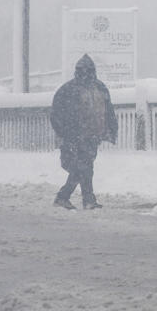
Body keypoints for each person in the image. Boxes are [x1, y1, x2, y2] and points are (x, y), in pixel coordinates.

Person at [50, 54, 118, 210]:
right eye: (83, 71)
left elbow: (108, 110)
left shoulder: (100, 88)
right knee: (80, 168)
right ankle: (79, 198)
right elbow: (56, 115)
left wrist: (110, 129)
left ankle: (76, 198)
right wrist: (66, 133)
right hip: (74, 137)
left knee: (85, 168)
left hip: (92, 136)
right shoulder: (68, 90)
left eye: (89, 70)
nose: (86, 74)